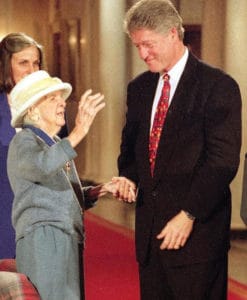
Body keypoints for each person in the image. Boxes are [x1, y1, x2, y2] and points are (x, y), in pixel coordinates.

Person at [116, 0, 242, 299]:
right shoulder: (139, 88)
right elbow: (130, 150)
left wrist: (189, 214)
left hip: (198, 239)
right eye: (137, 46)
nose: (142, 54)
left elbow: (222, 161)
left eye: (148, 44)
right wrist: (128, 177)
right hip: (150, 240)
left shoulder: (217, 86)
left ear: (173, 33)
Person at [7, 70, 131, 300]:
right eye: (52, 98)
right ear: (32, 109)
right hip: (43, 238)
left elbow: (67, 193)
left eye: (60, 97)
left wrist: (102, 189)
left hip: (65, 236)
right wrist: (79, 131)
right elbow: (43, 166)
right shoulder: (23, 140)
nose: (61, 103)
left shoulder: (52, 143)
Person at [0, 32, 44, 258]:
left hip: (38, 220)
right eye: (23, 63)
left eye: (36, 63)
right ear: (7, 66)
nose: (32, 70)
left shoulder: (50, 106)